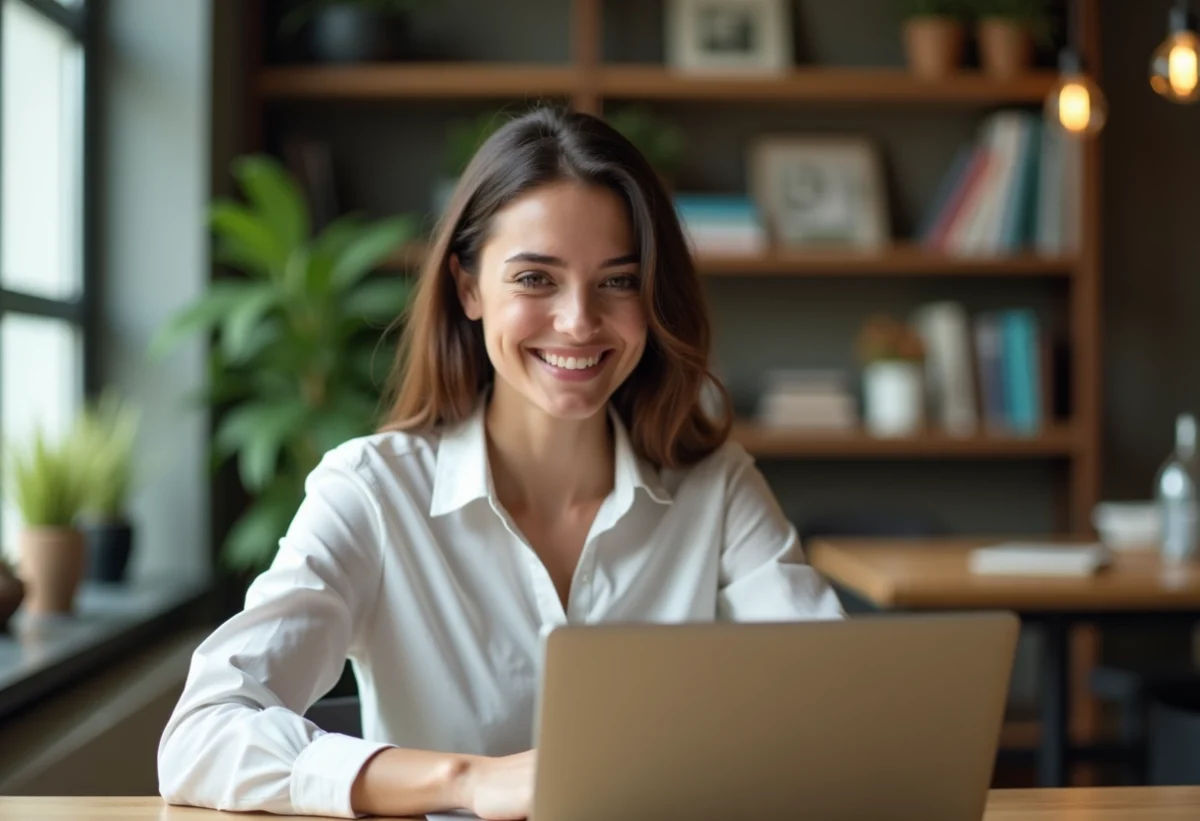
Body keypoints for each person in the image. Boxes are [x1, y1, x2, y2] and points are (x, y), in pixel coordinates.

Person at [157, 107, 843, 821]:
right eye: (536, 279)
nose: (579, 321)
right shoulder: (372, 489)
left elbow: (841, 706)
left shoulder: (717, 486)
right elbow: (203, 733)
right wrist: (467, 781)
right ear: (468, 288)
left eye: (617, 281)